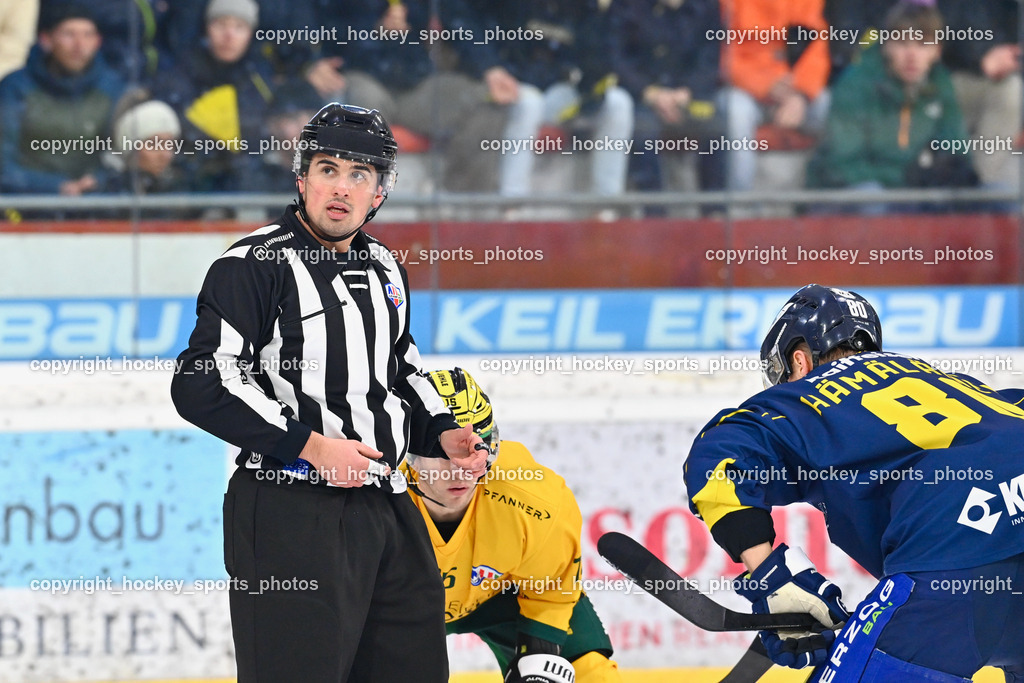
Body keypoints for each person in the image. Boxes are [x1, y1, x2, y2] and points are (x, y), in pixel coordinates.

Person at [170, 103, 487, 682]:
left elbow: (398, 366)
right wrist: (312, 447)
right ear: (301, 179)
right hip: (290, 509)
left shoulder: (386, 266)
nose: (342, 187)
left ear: (379, 193)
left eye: (359, 174)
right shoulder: (255, 264)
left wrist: (442, 432)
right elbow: (202, 381)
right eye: (328, 169)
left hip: (387, 505)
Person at [683, 284, 1024, 681]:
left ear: (799, 360)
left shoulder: (802, 397)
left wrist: (771, 579)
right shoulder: (950, 382)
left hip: (955, 555)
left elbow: (718, 456)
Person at [403, 368, 621, 683]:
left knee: (590, 673)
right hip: (399, 606)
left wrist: (540, 655)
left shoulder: (534, 500)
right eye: (444, 454)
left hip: (501, 596)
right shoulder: (372, 496)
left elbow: (550, 589)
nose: (462, 470)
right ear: (409, 453)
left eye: (477, 450)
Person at [807, 2, 975, 213]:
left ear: (937, 51)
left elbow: (956, 151)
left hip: (912, 196)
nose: (912, 55)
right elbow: (842, 164)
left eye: (923, 44)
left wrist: (945, 174)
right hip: (842, 201)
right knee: (872, 198)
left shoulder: (941, 84)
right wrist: (909, 180)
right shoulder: (855, 84)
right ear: (886, 45)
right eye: (902, 43)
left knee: (997, 195)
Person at [0, 2, 123, 195]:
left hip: (95, 202)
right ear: (46, 40)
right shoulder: (15, 87)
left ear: (98, 41)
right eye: (68, 34)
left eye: (88, 35)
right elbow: (4, 164)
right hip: (24, 204)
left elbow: (122, 156)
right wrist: (55, 187)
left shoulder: (113, 89)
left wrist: (97, 181)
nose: (79, 45)